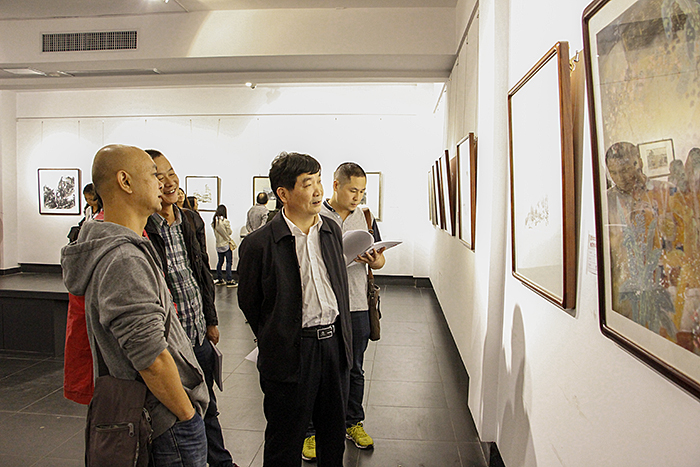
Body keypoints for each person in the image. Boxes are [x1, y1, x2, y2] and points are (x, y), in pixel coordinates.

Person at [61, 144, 209, 466]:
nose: (162, 183)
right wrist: (186, 415)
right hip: (165, 421)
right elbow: (150, 358)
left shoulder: (123, 247)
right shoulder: (124, 258)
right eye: (154, 175)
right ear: (125, 182)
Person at [237, 152, 352, 467]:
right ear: (283, 194)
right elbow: (250, 303)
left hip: (333, 347)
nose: (318, 191)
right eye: (307, 184)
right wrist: (277, 334)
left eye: (318, 181)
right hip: (291, 351)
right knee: (284, 441)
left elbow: (339, 286)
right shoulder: (259, 243)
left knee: (333, 437)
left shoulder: (331, 230)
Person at [144, 149, 238, 467]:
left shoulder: (191, 219)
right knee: (176, 414)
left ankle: (221, 462)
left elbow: (202, 273)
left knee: (208, 404)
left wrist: (211, 320)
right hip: (169, 342)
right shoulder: (144, 226)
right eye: (158, 176)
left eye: (171, 172)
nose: (169, 181)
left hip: (197, 332)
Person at [303, 162, 386, 460]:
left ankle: (353, 422)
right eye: (353, 190)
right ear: (336, 185)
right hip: (325, 305)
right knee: (319, 369)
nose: (357, 197)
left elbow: (380, 261)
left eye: (362, 191)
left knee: (355, 367)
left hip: (358, 304)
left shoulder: (365, 216)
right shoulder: (316, 215)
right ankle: (311, 431)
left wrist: (374, 260)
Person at [605, 141, 676, 334]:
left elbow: (678, 240)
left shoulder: (664, 191)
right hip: (624, 291)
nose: (620, 178)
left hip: (664, 286)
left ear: (639, 162)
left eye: (625, 170)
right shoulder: (604, 202)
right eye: (613, 173)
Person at [212, 204, 237, 287]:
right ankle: (229, 280)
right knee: (229, 262)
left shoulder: (214, 222)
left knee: (220, 262)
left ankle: (220, 278)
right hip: (226, 244)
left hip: (218, 244)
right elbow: (229, 232)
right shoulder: (225, 221)